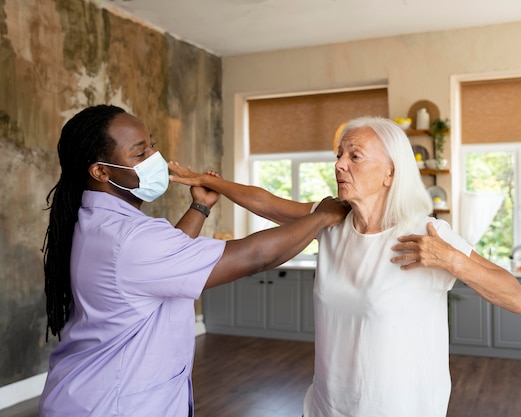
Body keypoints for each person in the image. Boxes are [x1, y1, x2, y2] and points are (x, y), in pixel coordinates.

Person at [168, 115, 521, 417]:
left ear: (390, 173)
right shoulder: (331, 221)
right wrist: (209, 183)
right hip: (328, 406)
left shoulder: (426, 232)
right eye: (339, 154)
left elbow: (516, 298)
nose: (339, 164)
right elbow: (268, 203)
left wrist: (452, 260)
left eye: (355, 156)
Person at [39, 104, 348, 417]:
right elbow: (254, 256)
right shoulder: (130, 239)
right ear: (101, 171)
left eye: (152, 146)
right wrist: (321, 218)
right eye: (140, 154)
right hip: (114, 404)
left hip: (87, 392)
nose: (154, 158)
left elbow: (165, 262)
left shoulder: (99, 222)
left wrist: (199, 207)